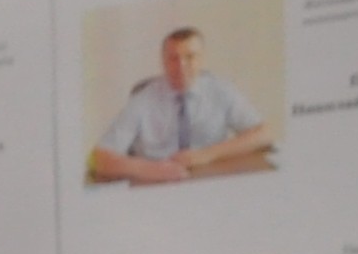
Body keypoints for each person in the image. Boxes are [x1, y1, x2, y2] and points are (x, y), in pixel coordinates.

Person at [87, 24, 274, 184]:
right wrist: (150, 169)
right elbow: (98, 158)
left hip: (208, 179)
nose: (181, 66)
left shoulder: (221, 90)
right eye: (173, 58)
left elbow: (264, 134)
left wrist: (206, 154)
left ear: (201, 59)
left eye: (190, 57)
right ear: (163, 62)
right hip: (156, 184)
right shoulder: (143, 99)